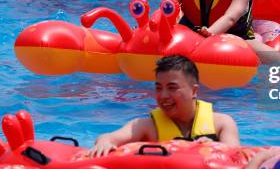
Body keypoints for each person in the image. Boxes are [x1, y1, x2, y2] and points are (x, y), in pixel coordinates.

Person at [87, 55, 240, 157]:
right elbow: (108, 138)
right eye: (159, 87)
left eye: (172, 88)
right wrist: (104, 143)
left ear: (194, 91)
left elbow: (235, 158)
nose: (163, 95)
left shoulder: (221, 124)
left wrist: (215, 148)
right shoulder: (146, 126)